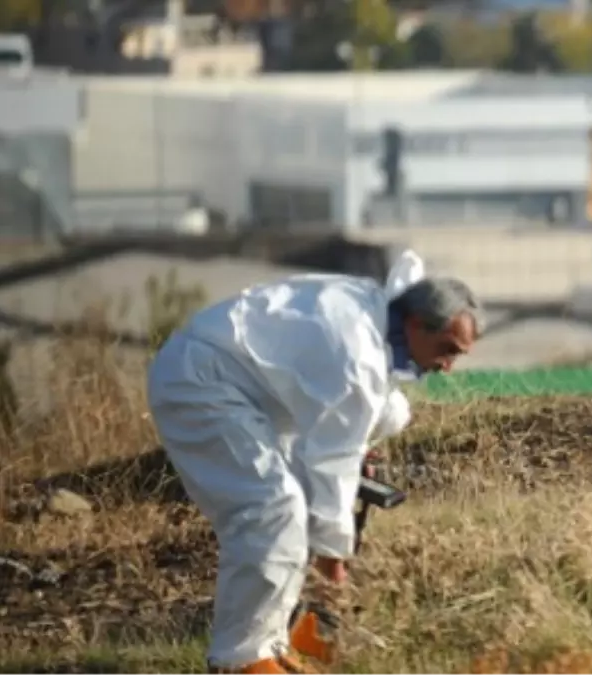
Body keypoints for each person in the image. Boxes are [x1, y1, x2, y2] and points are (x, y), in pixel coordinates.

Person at [145, 251, 483, 674]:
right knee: (272, 509)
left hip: (255, 391)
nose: (448, 366)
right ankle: (240, 660)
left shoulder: (379, 319)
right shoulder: (357, 356)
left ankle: (273, 641)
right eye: (447, 350)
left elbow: (350, 426)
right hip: (202, 383)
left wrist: (355, 446)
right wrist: (332, 556)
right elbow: (331, 460)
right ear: (416, 325)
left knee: (392, 412)